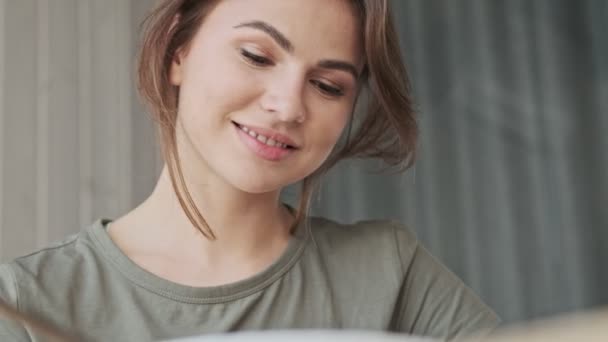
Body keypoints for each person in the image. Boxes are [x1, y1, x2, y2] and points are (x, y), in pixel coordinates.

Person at [0, 0, 499, 340]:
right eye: (257, 56)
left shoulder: (390, 271)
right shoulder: (27, 302)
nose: (287, 106)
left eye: (328, 86)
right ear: (179, 50)